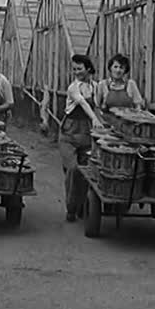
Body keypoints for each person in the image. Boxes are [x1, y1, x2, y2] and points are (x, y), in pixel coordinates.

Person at [59, 54, 104, 222]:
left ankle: (82, 205)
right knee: (72, 169)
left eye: (80, 69)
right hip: (69, 133)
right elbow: (83, 103)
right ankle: (71, 207)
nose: (77, 72)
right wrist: (94, 118)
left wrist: (102, 124)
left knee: (87, 171)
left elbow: (99, 106)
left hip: (87, 134)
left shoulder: (96, 86)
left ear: (88, 69)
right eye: (74, 69)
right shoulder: (73, 87)